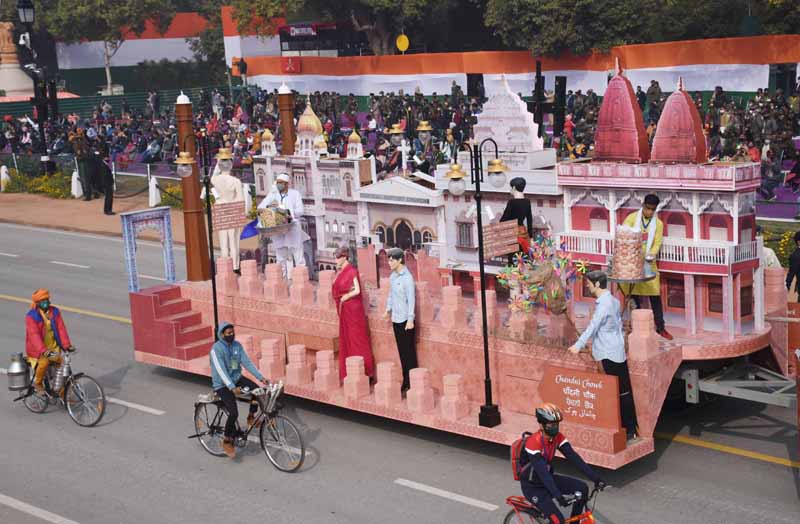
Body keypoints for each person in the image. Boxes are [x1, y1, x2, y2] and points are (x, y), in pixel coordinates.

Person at [568, 271, 638, 440]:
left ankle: (625, 428)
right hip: (616, 350)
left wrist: (578, 345)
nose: (587, 285)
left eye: (589, 283)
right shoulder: (613, 301)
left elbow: (593, 326)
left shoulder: (604, 305)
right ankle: (630, 427)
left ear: (597, 284)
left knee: (616, 392)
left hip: (608, 353)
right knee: (623, 391)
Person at [519, 404, 605, 524]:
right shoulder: (533, 443)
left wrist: (596, 478)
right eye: (551, 424)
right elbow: (543, 474)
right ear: (541, 425)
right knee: (558, 521)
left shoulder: (557, 438)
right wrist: (558, 496)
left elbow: (574, 458)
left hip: (548, 481)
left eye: (556, 424)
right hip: (534, 488)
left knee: (582, 488)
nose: (555, 427)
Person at [209, 322, 269, 459]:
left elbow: (247, 363)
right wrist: (231, 387)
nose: (231, 335)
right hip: (222, 385)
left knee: (257, 391)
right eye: (228, 333)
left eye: (232, 332)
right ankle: (227, 440)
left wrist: (261, 377)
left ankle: (251, 417)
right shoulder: (216, 349)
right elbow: (220, 370)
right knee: (233, 412)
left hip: (237, 379)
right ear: (222, 334)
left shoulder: (237, 346)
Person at [622, 194, 672, 340]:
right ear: (643, 205)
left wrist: (651, 254)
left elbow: (657, 242)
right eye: (647, 208)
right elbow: (624, 234)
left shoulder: (659, 224)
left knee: (655, 295)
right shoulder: (631, 218)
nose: (649, 212)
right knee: (633, 295)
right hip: (632, 262)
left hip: (649, 263)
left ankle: (661, 327)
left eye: (652, 210)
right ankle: (636, 328)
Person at [332, 246, 375, 381]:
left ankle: (366, 372)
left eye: (337, 257)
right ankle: (351, 371)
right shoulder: (342, 272)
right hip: (346, 309)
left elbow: (357, 290)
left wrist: (346, 296)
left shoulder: (351, 271)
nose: (335, 260)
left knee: (357, 339)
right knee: (348, 338)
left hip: (354, 309)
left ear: (344, 257)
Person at [257, 173, 309, 280]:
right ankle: (282, 280)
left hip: (292, 227)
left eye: (281, 183)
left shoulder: (295, 194)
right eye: (277, 182)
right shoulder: (273, 194)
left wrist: (289, 213)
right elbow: (261, 207)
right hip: (278, 229)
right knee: (280, 255)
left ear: (287, 184)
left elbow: (300, 211)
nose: (279, 184)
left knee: (297, 254)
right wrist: (269, 207)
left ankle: (301, 280)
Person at [25, 289, 74, 394]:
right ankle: (37, 383)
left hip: (53, 347)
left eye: (46, 300)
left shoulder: (54, 312)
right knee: (45, 361)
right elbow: (34, 336)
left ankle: (61, 394)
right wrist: (43, 350)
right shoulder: (32, 316)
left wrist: (67, 345)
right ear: (37, 303)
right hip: (38, 350)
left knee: (62, 365)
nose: (45, 302)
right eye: (42, 301)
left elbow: (61, 329)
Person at [382, 248, 417, 393]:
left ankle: (412, 381)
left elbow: (411, 300)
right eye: (389, 260)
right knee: (401, 352)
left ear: (399, 260)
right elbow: (391, 294)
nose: (389, 263)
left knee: (409, 352)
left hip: (405, 320)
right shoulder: (393, 277)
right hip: (396, 318)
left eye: (392, 260)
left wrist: (410, 319)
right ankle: (405, 379)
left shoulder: (407, 278)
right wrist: (387, 309)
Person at [501, 177, 534, 255]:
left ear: (514, 188)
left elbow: (504, 219)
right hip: (523, 232)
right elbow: (530, 219)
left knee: (512, 256)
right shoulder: (527, 202)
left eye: (511, 187)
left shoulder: (512, 202)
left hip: (512, 233)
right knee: (522, 257)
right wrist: (531, 236)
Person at [785, 231, 800, 301]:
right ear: (799, 242)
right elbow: (792, 273)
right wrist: (787, 286)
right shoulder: (796, 256)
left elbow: (791, 273)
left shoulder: (795, 256)